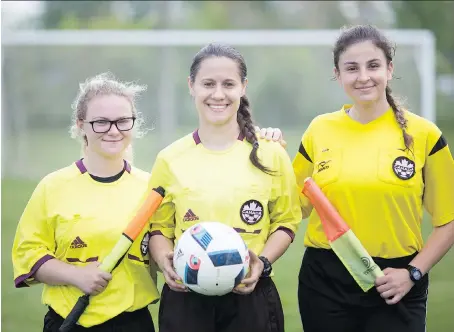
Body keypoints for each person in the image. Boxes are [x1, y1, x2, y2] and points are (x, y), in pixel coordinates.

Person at [292, 24, 454, 332]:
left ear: (389, 69)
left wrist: (413, 273)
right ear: (338, 75)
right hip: (325, 280)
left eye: (373, 65)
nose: (363, 76)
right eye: (351, 68)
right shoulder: (319, 130)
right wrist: (268, 148)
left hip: (395, 281)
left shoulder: (425, 136)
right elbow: (290, 205)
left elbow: (448, 219)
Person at [147, 42, 302, 332]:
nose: (218, 94)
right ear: (191, 86)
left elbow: (286, 221)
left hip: (250, 295)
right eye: (208, 83)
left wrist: (263, 263)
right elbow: (159, 227)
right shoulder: (170, 158)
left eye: (228, 84)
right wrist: (163, 261)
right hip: (186, 297)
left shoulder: (271, 153)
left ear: (243, 87)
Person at [11, 72, 160, 332]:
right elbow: (28, 254)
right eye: (101, 122)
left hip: (133, 322)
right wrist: (76, 275)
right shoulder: (53, 186)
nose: (113, 131)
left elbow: (163, 249)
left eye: (123, 121)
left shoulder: (150, 189)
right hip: (69, 320)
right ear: (81, 125)